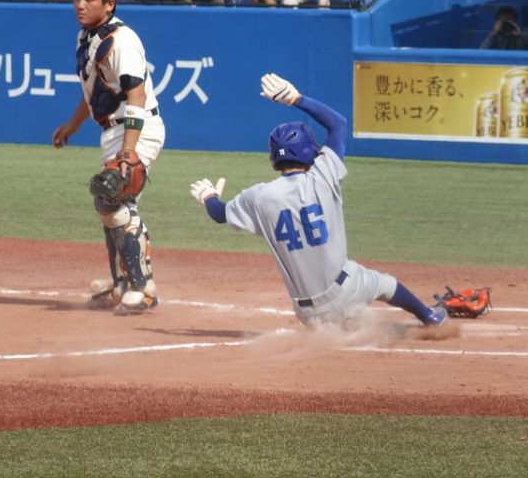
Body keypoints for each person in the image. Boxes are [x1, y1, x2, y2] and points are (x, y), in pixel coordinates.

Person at [189, 73, 448, 328]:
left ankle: (343, 327)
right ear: (310, 151)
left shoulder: (259, 196)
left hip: (307, 315)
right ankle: (429, 316)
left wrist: (209, 195)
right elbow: (338, 124)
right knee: (385, 284)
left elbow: (219, 214)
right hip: (346, 294)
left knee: (346, 296)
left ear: (273, 160)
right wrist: (296, 98)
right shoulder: (323, 176)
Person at [51, 0, 165, 313]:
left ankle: (143, 288)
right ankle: (121, 285)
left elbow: (136, 94)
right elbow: (97, 94)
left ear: (109, 3)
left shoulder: (122, 40)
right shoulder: (87, 38)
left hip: (138, 127)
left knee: (113, 202)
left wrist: (129, 150)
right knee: (108, 202)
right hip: (113, 130)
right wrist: (73, 125)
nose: (80, 5)